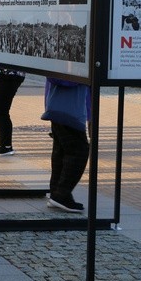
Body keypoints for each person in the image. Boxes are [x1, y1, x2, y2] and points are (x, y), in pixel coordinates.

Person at [41, 77, 91, 213]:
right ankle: (61, 194)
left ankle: (57, 192)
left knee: (62, 151)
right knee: (78, 151)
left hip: (66, 109)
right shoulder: (69, 64)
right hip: (68, 110)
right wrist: (82, 77)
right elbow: (56, 78)